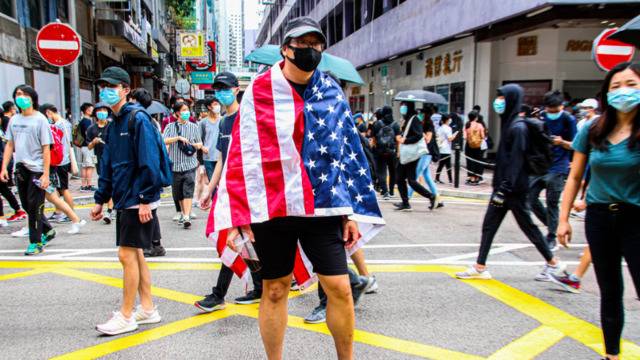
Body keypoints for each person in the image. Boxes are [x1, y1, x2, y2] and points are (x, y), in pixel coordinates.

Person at [206, 17, 384, 360]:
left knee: (340, 288)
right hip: (272, 207)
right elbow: (241, 156)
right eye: (303, 45)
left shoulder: (330, 90)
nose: (311, 51)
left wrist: (348, 212)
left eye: (316, 45)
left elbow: (343, 152)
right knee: (275, 290)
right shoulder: (259, 91)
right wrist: (238, 216)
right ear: (285, 49)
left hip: (322, 204)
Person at [557, 62, 640, 360]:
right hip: (600, 217)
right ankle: (611, 354)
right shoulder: (593, 129)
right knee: (610, 290)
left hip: (636, 218)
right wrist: (563, 219)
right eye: (616, 86)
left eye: (631, 84)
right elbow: (575, 177)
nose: (623, 92)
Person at [456, 84, 564, 281]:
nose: (498, 102)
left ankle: (553, 264)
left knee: (527, 226)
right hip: (506, 188)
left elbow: (515, 161)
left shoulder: (518, 127)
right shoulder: (510, 124)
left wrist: (503, 190)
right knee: (489, 226)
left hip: (513, 190)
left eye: (502, 98)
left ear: (512, 100)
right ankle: (480, 266)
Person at [91, 66, 165, 335]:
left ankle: (125, 315)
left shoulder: (138, 118)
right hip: (124, 197)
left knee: (126, 253)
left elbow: (149, 160)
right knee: (135, 254)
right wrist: (101, 199)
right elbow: (109, 165)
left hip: (137, 197)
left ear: (125, 89)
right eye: (103, 87)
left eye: (111, 86)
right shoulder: (114, 123)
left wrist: (146, 198)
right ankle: (147, 309)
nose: (106, 91)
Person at [196, 72, 263, 311]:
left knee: (234, 240)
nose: (221, 93)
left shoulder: (248, 117)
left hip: (247, 190)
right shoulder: (224, 122)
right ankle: (257, 287)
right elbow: (222, 161)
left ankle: (219, 294)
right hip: (228, 190)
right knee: (241, 241)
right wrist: (209, 190)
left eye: (226, 88)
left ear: (236, 90)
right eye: (217, 89)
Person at [0, 85, 56, 255]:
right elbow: (10, 145)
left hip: (37, 169)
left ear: (32, 98)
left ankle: (36, 242)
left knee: (35, 205)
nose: (20, 97)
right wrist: (4, 168)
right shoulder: (14, 120)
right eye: (17, 94)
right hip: (21, 168)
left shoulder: (40, 120)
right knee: (26, 205)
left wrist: (46, 174)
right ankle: (48, 230)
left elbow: (47, 148)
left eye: (24, 94)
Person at [528, 90, 577, 251]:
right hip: (540, 166)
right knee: (531, 198)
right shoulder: (541, 116)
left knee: (552, 202)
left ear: (561, 106)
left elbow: (576, 144)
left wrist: (562, 142)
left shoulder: (568, 119)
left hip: (559, 165)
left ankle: (551, 236)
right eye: (549, 109)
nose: (552, 113)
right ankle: (552, 226)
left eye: (555, 110)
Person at [163, 102, 202, 229]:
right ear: (177, 113)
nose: (187, 112)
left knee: (188, 190)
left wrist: (196, 145)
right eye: (184, 110)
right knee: (178, 192)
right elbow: (164, 140)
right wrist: (178, 138)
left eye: (187, 110)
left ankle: (186, 216)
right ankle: (184, 213)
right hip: (175, 165)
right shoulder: (170, 127)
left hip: (190, 164)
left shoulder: (194, 127)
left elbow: (199, 143)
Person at [394, 101, 436, 211]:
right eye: (401, 105)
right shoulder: (407, 119)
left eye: (404, 105)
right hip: (407, 154)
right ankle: (406, 202)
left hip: (411, 154)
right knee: (401, 178)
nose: (402, 108)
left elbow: (418, 135)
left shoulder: (414, 119)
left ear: (409, 107)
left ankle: (430, 196)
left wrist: (405, 140)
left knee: (409, 179)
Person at [39, 103, 77, 223]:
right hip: (63, 159)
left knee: (63, 189)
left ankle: (70, 213)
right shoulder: (65, 123)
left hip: (60, 161)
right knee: (58, 188)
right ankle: (59, 212)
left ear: (49, 112)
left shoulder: (59, 125)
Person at [86, 104, 114, 224]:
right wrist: (94, 141)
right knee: (103, 181)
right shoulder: (92, 129)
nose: (102, 112)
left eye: (104, 110)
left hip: (113, 159)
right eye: (99, 110)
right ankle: (107, 207)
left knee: (113, 183)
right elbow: (88, 146)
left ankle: (110, 210)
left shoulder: (112, 126)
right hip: (99, 159)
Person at [408, 109, 442, 207]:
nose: (420, 115)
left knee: (414, 177)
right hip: (423, 153)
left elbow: (428, 140)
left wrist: (421, 132)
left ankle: (406, 199)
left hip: (426, 153)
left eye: (421, 114)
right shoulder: (422, 125)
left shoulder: (429, 125)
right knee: (427, 177)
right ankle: (437, 199)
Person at [0, 117, 25, 226]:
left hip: (2, 163)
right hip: (4, 162)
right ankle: (18, 210)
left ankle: (1, 217)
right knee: (4, 189)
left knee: (3, 189)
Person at [371, 106, 399, 199]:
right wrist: (398, 152)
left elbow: (373, 139)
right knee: (393, 171)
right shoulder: (396, 125)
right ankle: (391, 191)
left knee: (381, 172)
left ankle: (385, 191)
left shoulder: (377, 124)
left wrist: (375, 147)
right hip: (392, 152)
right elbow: (398, 140)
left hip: (380, 151)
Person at [199, 97, 221, 181]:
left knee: (221, 183)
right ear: (209, 107)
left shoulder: (222, 120)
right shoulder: (203, 122)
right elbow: (198, 139)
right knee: (212, 183)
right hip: (208, 157)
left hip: (220, 157)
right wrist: (202, 147)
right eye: (215, 104)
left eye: (218, 104)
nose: (218, 106)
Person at [78, 103, 96, 191]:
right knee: (90, 166)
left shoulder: (82, 121)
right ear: (87, 110)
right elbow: (88, 134)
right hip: (89, 146)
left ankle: (84, 185)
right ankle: (89, 185)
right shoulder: (87, 121)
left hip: (84, 147)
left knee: (85, 166)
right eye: (92, 109)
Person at [464, 111, 486, 185]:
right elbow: (483, 136)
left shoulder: (467, 125)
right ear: (476, 118)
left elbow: (464, 137)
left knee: (470, 162)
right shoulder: (479, 125)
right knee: (477, 162)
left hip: (469, 145)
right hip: (478, 146)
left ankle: (471, 178)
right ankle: (476, 178)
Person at [435, 114, 456, 184]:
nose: (450, 120)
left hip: (441, 148)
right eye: (449, 119)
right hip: (446, 149)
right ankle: (450, 180)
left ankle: (437, 178)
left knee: (441, 165)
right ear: (447, 120)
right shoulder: (448, 128)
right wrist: (455, 135)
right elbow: (450, 139)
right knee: (448, 165)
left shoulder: (440, 128)